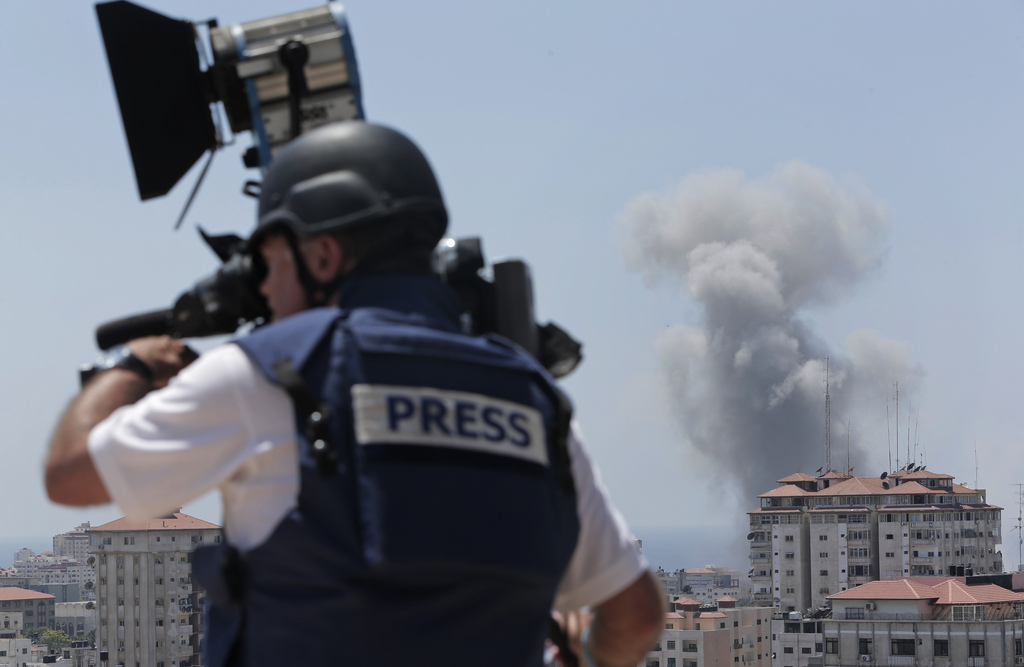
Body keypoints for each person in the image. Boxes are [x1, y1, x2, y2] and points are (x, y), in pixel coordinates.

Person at [45, 121, 664, 667]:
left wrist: (130, 366)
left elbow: (70, 475)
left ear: (323, 254)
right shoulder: (535, 399)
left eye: (270, 268)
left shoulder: (269, 372)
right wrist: (584, 654)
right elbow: (636, 617)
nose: (266, 296)